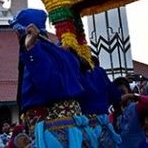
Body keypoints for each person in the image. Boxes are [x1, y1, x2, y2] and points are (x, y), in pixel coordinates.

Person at [9, 8, 92, 147]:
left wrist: (31, 51)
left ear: (23, 32)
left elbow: (49, 85)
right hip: (74, 127)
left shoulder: (36, 54)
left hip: (53, 132)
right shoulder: (63, 53)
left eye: (17, 32)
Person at [78, 55, 122, 147]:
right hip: (104, 127)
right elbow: (116, 96)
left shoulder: (73, 74)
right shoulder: (99, 71)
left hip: (84, 128)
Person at [112, 76, 148, 148]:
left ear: (128, 91)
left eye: (122, 92)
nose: (120, 96)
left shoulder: (136, 107)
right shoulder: (112, 116)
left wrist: (131, 96)